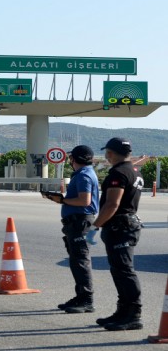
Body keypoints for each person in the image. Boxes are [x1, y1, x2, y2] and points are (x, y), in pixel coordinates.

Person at [92, 137, 144, 331]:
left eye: (107, 152)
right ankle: (123, 312)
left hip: (120, 227)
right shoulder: (134, 171)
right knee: (119, 271)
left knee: (124, 271)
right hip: (126, 225)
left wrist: (95, 225)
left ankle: (132, 315)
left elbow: (112, 204)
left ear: (110, 153)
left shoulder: (119, 173)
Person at [43, 145, 99, 313]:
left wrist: (62, 200)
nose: (70, 161)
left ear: (75, 159)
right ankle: (81, 296)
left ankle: (86, 299)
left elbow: (84, 201)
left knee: (80, 261)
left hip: (80, 222)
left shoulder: (84, 176)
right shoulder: (84, 173)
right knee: (76, 260)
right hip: (77, 222)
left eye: (71, 158)